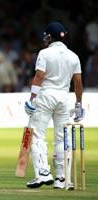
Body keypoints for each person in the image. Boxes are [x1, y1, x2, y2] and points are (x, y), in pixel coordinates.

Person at [24, 21, 85, 189]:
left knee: (36, 134)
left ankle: (43, 173)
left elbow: (39, 76)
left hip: (45, 96)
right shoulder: (74, 56)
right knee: (63, 138)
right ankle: (63, 178)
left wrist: (32, 98)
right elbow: (78, 82)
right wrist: (78, 104)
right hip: (64, 99)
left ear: (50, 37)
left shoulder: (44, 53)